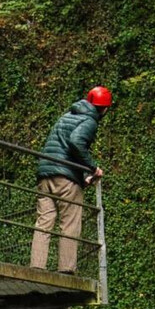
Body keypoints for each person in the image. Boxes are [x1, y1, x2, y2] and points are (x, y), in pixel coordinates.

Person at [31, 86, 110, 273]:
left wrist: (84, 179)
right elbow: (76, 142)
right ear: (104, 109)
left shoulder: (67, 116)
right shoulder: (90, 120)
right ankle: (66, 269)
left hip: (45, 174)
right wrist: (92, 167)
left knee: (44, 221)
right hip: (65, 177)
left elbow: (63, 146)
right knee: (70, 222)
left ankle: (36, 266)